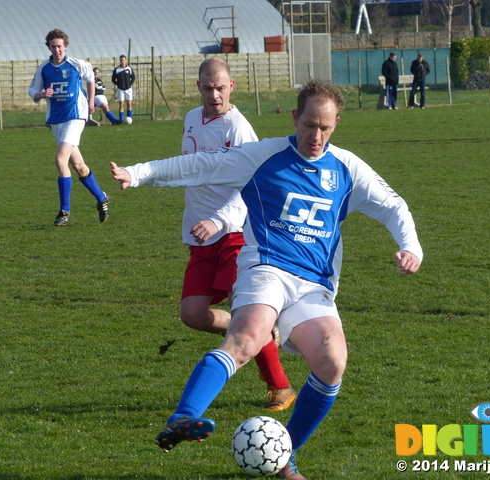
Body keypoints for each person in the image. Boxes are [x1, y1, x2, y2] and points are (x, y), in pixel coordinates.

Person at [110, 80, 423, 479]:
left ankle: (284, 457)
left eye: (325, 127)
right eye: (309, 124)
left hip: (315, 286)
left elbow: (393, 206)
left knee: (332, 361)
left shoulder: (347, 168)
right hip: (266, 269)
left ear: (337, 124)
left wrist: (411, 247)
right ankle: (183, 418)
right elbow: (201, 165)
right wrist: (139, 174)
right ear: (295, 118)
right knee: (246, 338)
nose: (316, 135)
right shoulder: (264, 156)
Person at [179, 57, 296, 411]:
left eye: (220, 88)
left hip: (235, 234)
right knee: (193, 314)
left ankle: (280, 387)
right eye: (207, 88)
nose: (214, 95)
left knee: (240, 307)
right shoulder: (189, 120)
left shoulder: (239, 129)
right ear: (198, 87)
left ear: (231, 87)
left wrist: (217, 220)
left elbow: (249, 186)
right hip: (201, 237)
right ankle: (260, 329)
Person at [28, 29, 110, 226]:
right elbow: (32, 89)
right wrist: (41, 95)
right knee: (78, 166)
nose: (57, 50)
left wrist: (91, 102)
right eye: (53, 46)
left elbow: (90, 79)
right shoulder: (44, 68)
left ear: (65, 46)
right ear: (48, 47)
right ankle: (101, 197)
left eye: (60, 46)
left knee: (59, 158)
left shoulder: (76, 64)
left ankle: (64, 210)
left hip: (76, 117)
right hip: (56, 119)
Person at [112, 54, 135, 122]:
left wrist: (129, 84)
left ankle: (130, 119)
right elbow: (113, 80)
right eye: (121, 60)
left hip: (128, 89)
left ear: (125, 60)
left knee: (129, 103)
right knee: (121, 104)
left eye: (124, 60)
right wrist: (119, 85)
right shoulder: (117, 70)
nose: (123, 61)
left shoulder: (129, 69)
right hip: (120, 90)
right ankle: (121, 119)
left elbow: (133, 78)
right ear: (120, 61)